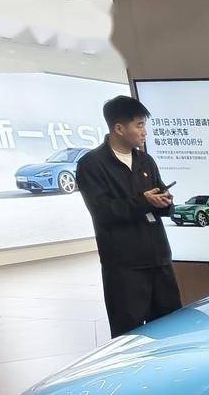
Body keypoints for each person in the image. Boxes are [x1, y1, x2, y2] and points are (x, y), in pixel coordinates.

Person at [77, 95, 181, 338]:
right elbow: (102, 211)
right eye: (139, 125)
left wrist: (165, 202)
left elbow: (158, 195)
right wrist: (144, 201)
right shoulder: (92, 164)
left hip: (159, 259)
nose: (145, 132)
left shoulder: (145, 160)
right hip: (125, 267)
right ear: (119, 128)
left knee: (172, 329)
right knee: (129, 335)